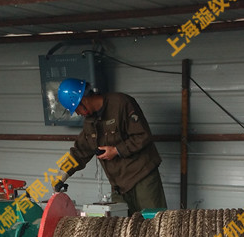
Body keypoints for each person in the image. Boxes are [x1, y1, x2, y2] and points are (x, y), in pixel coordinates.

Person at [54, 78, 167, 215]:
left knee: (154, 222)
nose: (77, 113)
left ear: (83, 100)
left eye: (76, 109)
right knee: (118, 225)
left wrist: (117, 150)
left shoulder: (121, 104)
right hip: (119, 187)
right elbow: (80, 152)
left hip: (143, 178)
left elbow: (142, 135)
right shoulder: (90, 123)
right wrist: (62, 175)